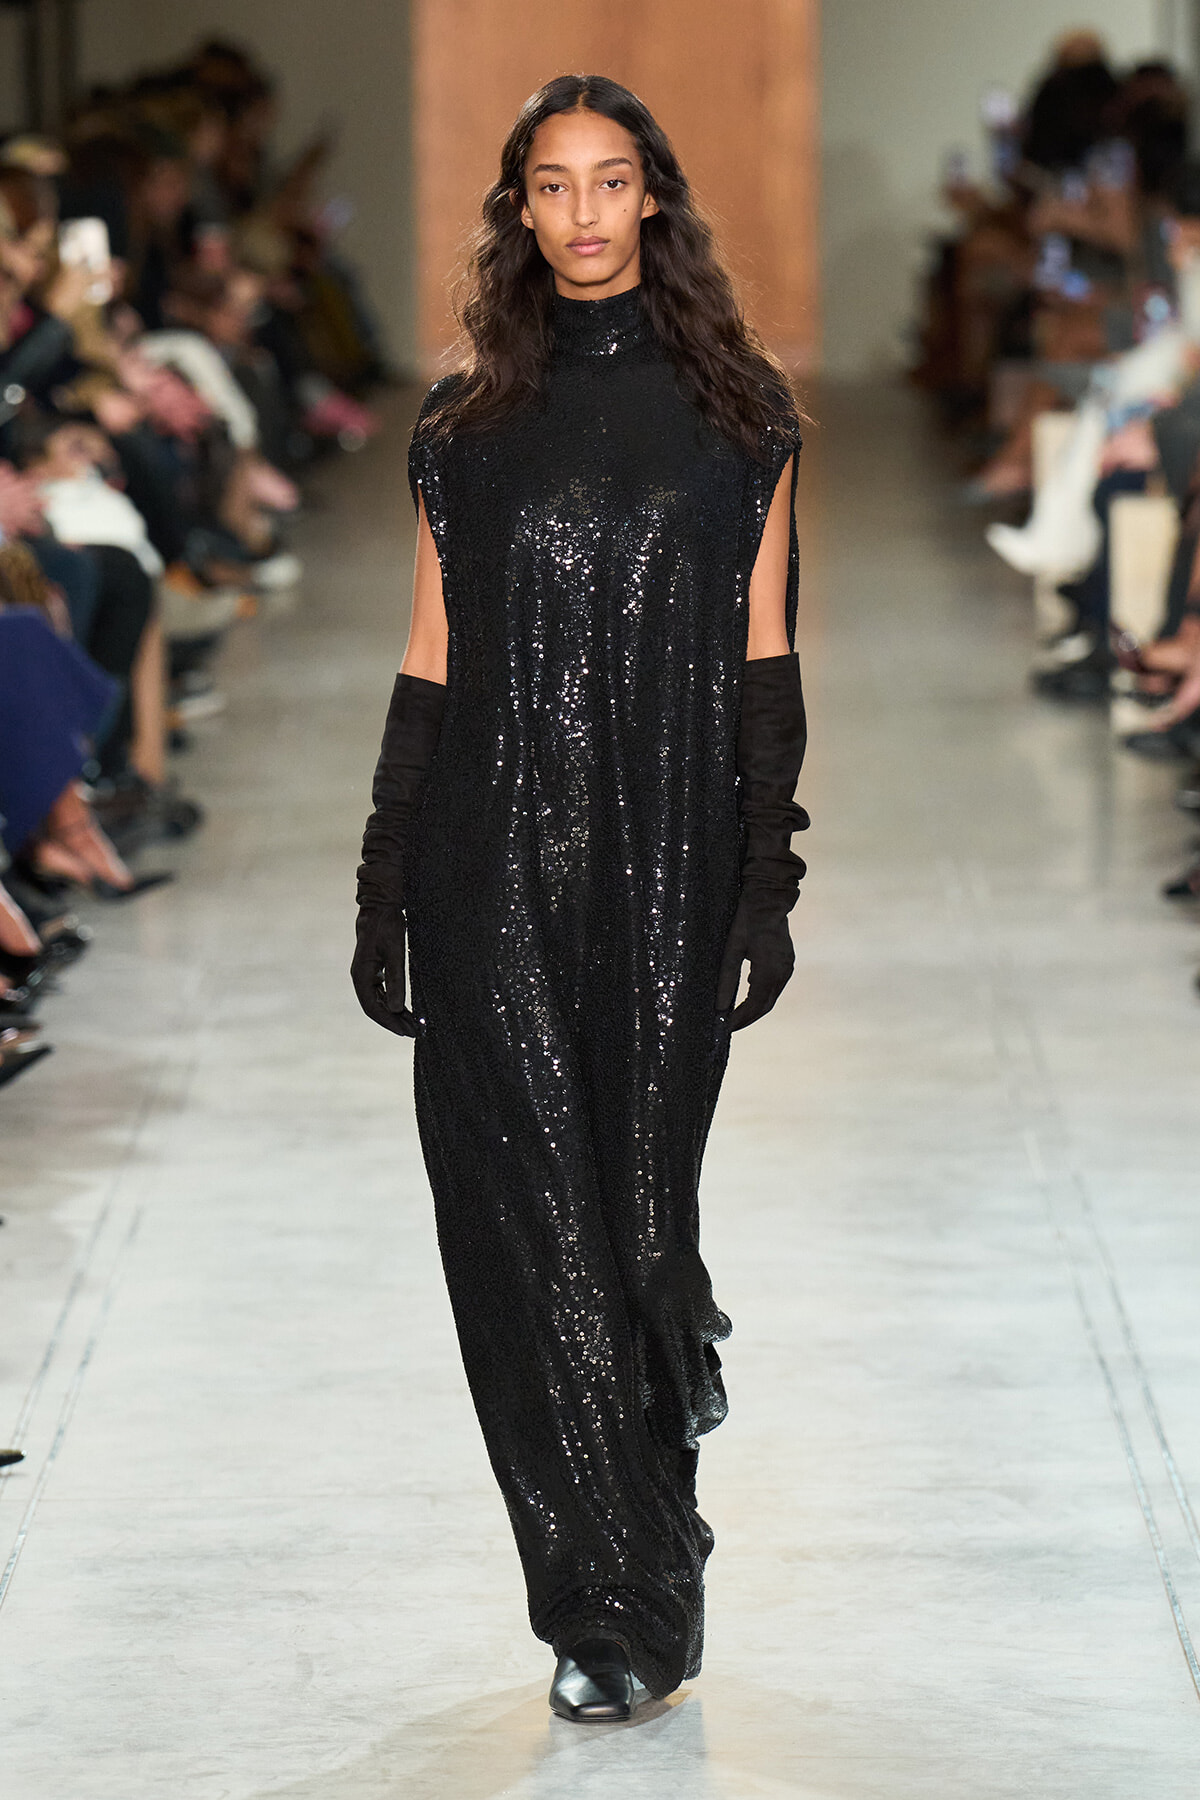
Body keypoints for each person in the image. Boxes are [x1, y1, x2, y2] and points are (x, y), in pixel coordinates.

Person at [352, 75, 808, 1719]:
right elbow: (430, 659)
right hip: (487, 872)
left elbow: (765, 660)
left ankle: (654, 1511)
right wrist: (384, 871)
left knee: (631, 1224)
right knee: (518, 1237)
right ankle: (603, 1609)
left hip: (671, 878)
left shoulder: (743, 421)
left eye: (616, 183)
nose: (589, 213)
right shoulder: (463, 433)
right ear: (522, 214)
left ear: (655, 205)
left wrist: (765, 880)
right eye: (556, 187)